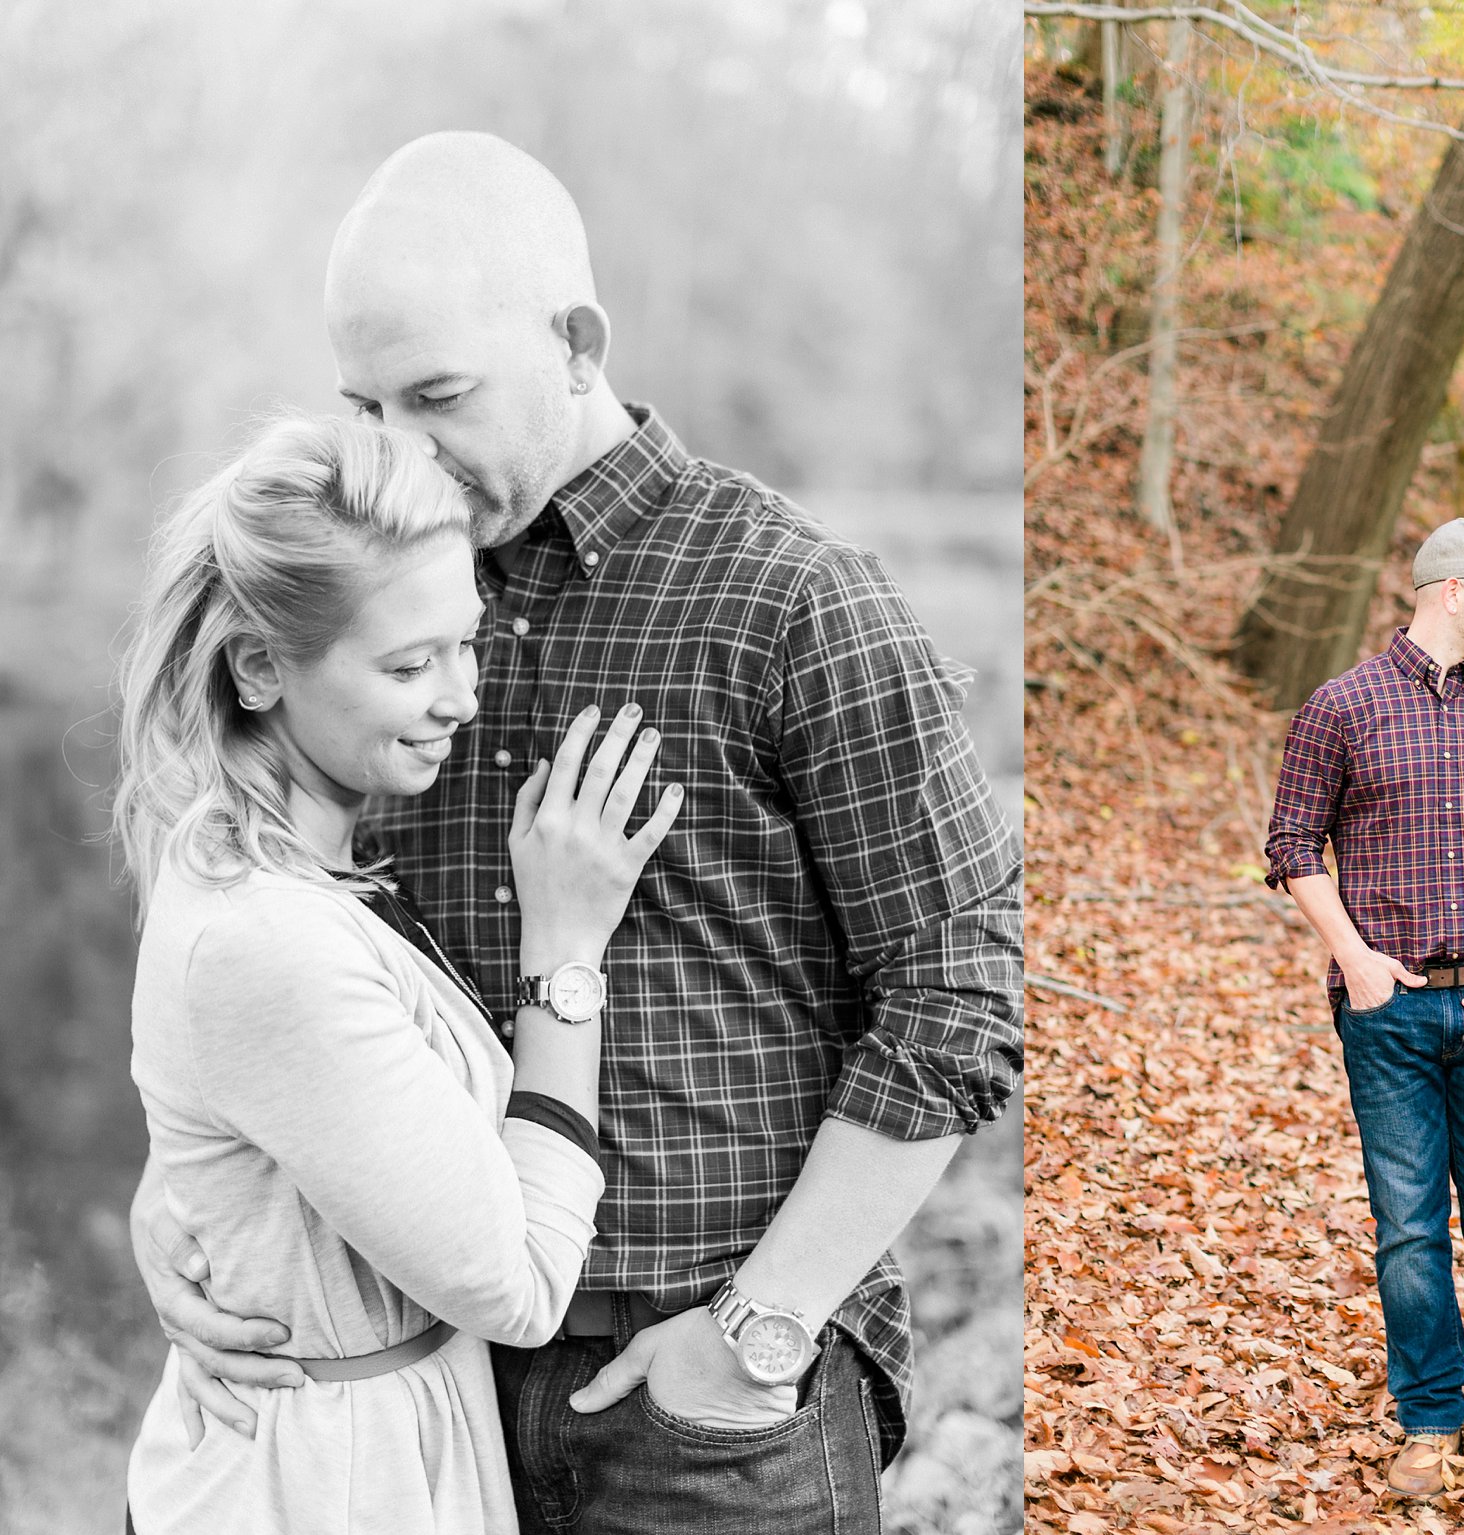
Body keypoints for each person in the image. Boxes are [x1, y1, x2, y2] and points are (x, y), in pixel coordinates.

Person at [129, 132, 1023, 1534]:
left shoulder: (790, 600)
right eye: (364, 402)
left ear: (575, 340)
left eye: (437, 395)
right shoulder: (383, 611)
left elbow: (961, 988)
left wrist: (763, 1326)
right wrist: (186, 1208)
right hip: (435, 1394)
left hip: (712, 1414)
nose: (400, 447)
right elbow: (265, 955)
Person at [115, 413, 679, 1531]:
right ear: (260, 667)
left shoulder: (289, 860)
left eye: (466, 640)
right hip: (311, 1486)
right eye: (410, 663)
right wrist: (564, 953)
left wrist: (179, 1190)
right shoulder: (266, 935)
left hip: (378, 1450)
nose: (461, 695)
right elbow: (520, 1287)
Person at [1263, 518, 1464, 1497]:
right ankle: (1430, 1417)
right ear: (1451, 591)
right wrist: (1352, 957)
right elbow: (1290, 843)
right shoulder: (1340, 706)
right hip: (1386, 1010)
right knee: (1406, 1226)